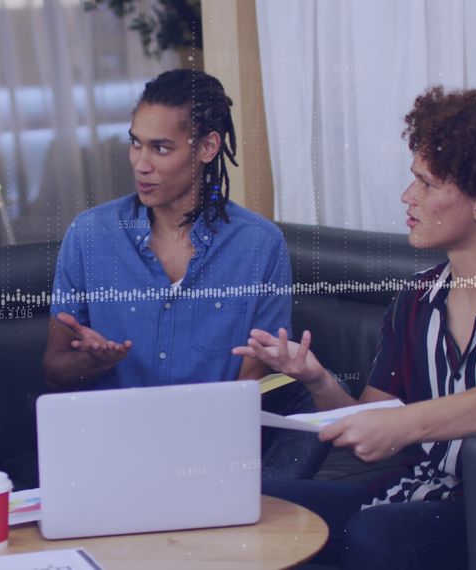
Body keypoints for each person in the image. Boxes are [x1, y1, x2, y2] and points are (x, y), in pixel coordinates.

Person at [239, 87, 476, 569]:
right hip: (403, 494)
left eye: (426, 183)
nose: (408, 196)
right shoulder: (416, 299)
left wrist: (411, 420)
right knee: (251, 505)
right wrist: (317, 381)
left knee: (376, 535)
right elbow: (373, 430)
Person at [42, 68, 328, 479]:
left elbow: (249, 390)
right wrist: (93, 361)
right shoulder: (89, 235)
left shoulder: (259, 246)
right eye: (135, 144)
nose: (141, 164)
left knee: (304, 399)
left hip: (213, 454)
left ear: (208, 147)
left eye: (161, 148)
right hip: (114, 453)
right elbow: (54, 369)